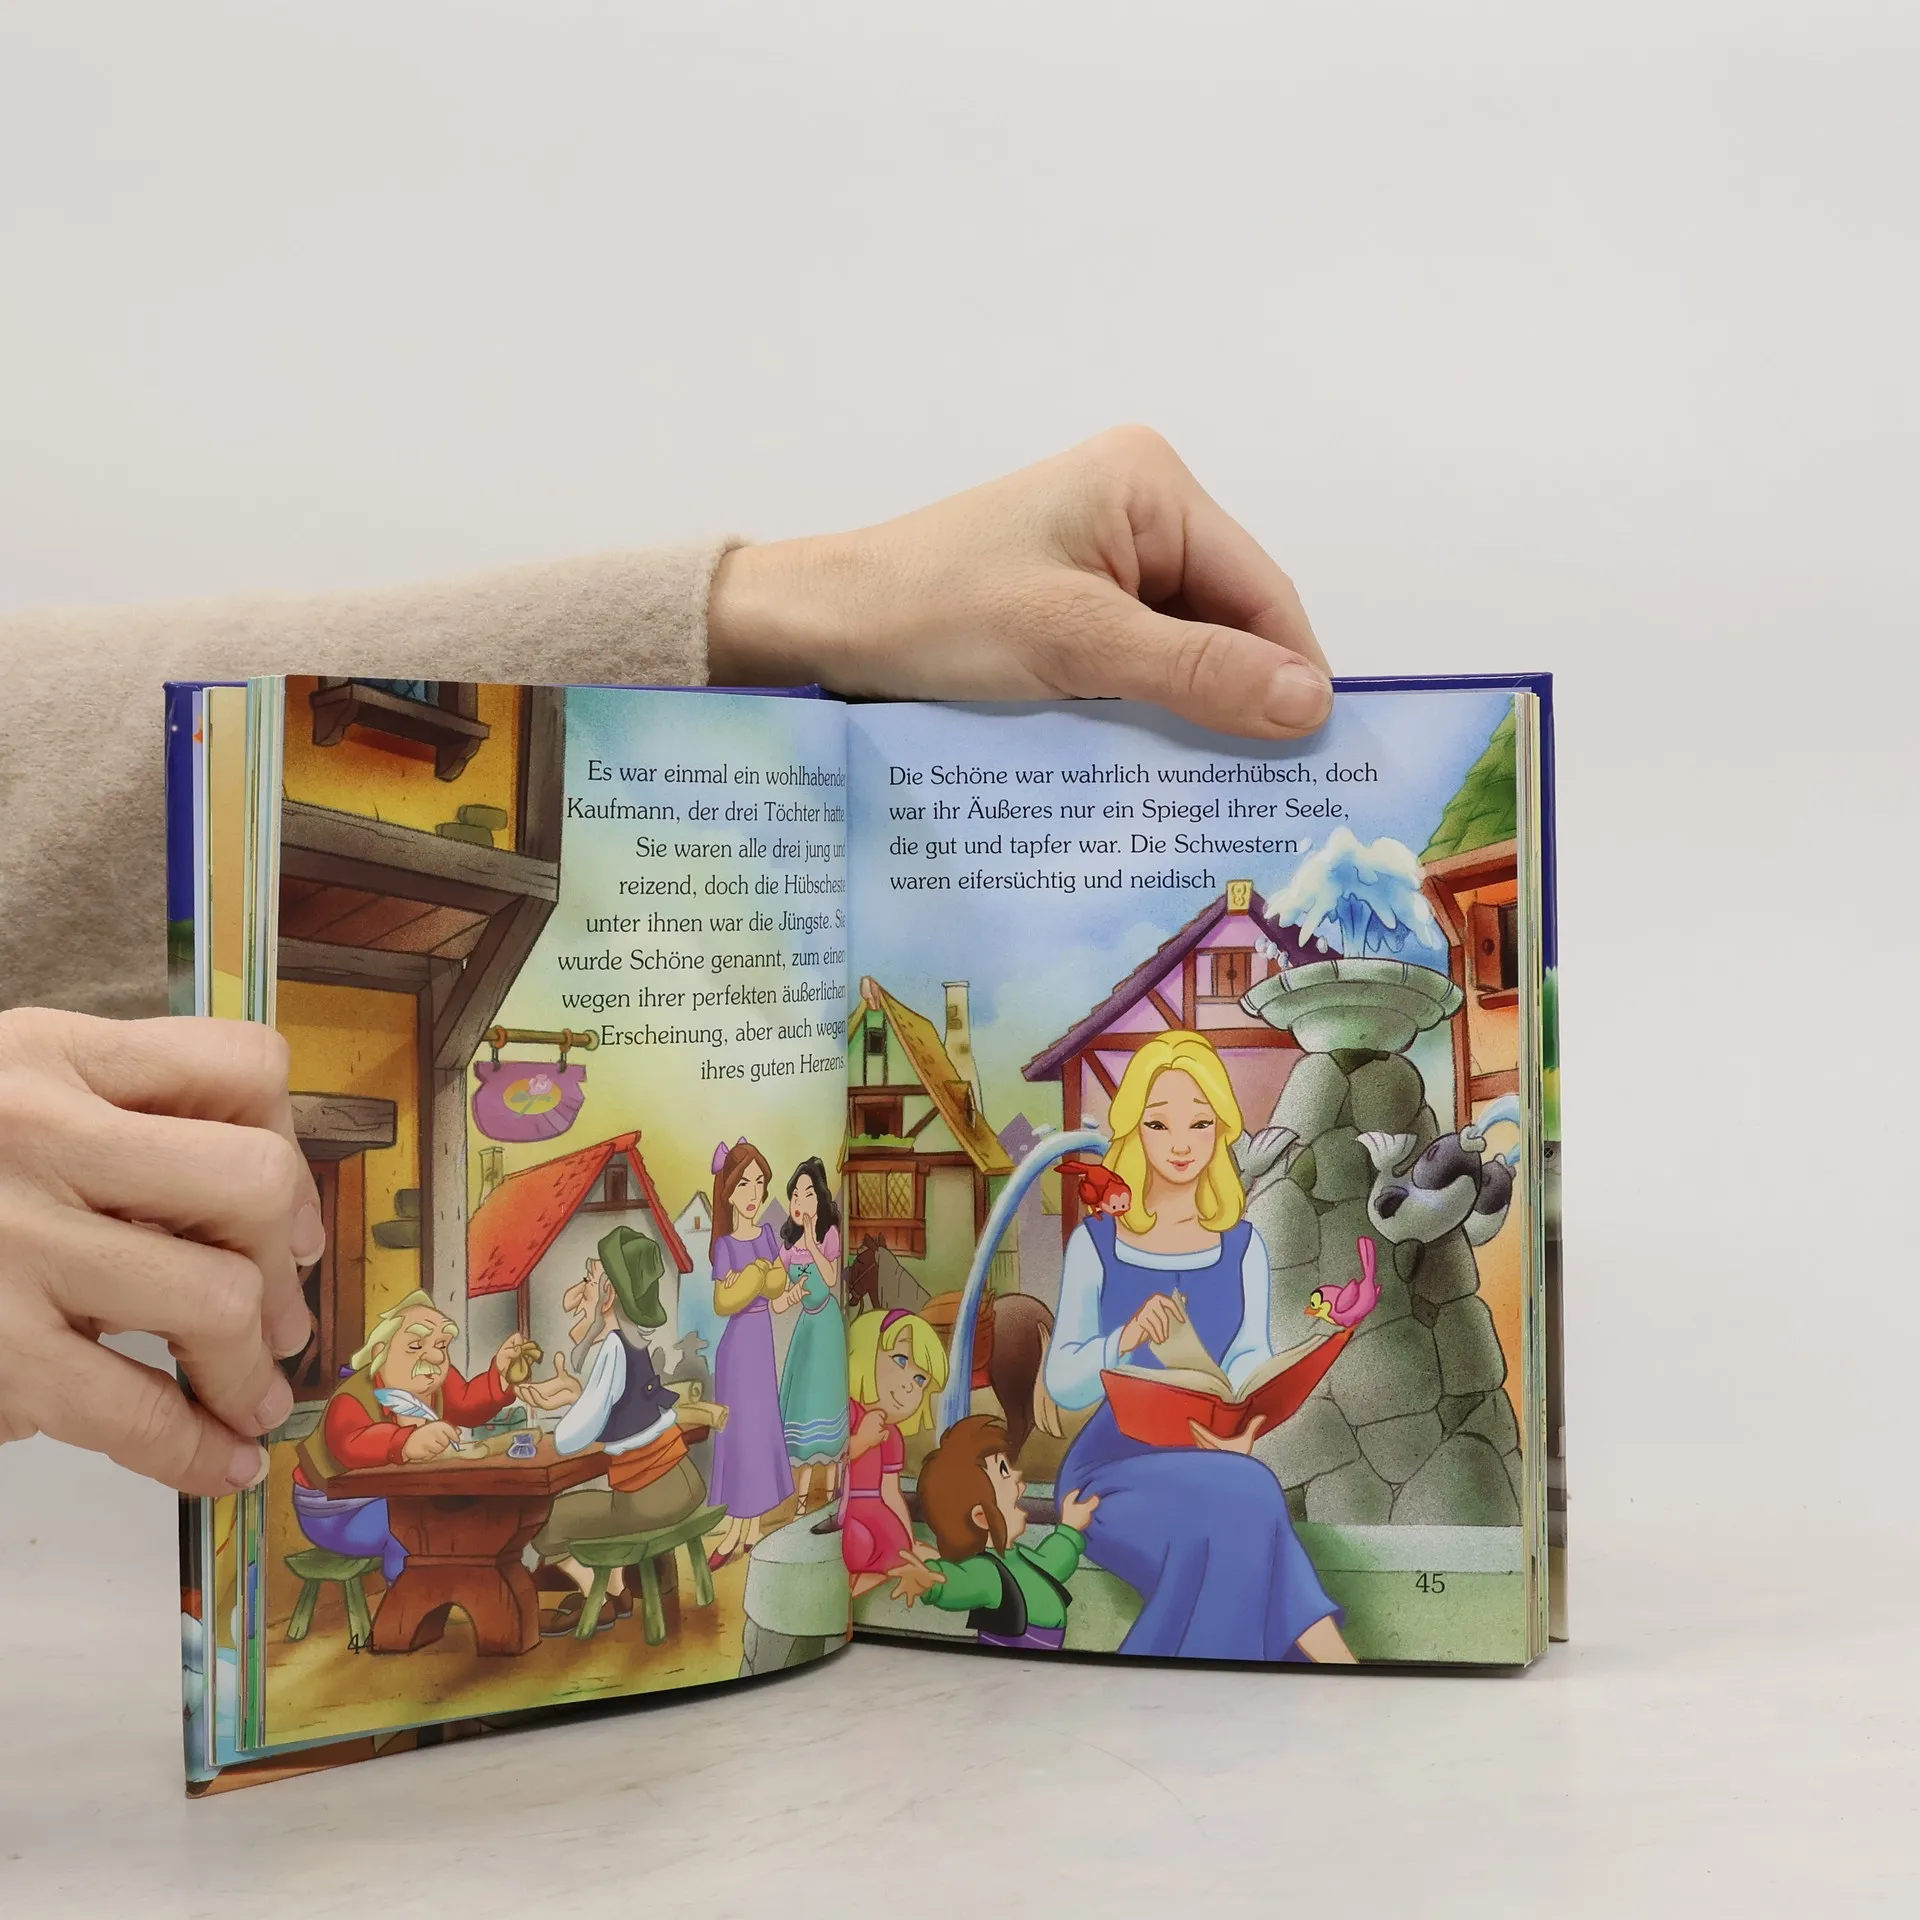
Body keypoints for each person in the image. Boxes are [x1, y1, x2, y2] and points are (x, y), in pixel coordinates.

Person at [0, 428, 1333, 1495]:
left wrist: (782, 609)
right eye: (1156, 1112)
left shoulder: (1215, 1243)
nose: (1171, 1136)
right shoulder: (1046, 1249)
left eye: (1191, 1117)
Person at [1043, 1031, 1357, 1664]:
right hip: (1107, 1479)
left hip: (1214, 1458)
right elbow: (1064, 1384)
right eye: (1160, 1124)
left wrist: (1244, 1425)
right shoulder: (1097, 1244)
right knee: (1250, 1495)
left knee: (1241, 1495)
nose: (1181, 1144)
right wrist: (1125, 1337)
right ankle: (1332, 1662)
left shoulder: (1243, 1247)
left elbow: (1246, 1358)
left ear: (1221, 1129)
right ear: (1135, 1130)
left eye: (1199, 1123)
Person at [524, 1227, 726, 1636]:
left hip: (649, 1500)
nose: (581, 1288)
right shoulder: (635, 1344)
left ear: (608, 1294)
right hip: (684, 1483)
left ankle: (596, 1596)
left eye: (589, 1278)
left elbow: (571, 1437)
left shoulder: (614, 1349)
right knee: (596, 1510)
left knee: (546, 1521)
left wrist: (566, 1414)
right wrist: (576, 1394)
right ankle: (615, 1592)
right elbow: (620, 1405)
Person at [292, 1293, 535, 1584]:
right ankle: (409, 1597)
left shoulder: (434, 1379)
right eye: (416, 1345)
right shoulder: (354, 1396)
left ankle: (461, 1589)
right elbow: (349, 1445)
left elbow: (467, 1404)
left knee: (462, 1515)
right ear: (382, 1351)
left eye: (441, 1345)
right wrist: (405, 1443)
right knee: (414, 1526)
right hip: (336, 1511)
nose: (435, 1357)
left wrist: (501, 1377)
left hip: (394, 1493)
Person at [890, 1413, 1100, 1653]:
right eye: (1003, 1470)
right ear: (981, 1517)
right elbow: (959, 1581)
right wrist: (930, 1582)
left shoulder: (1018, 1558)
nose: (1017, 1475)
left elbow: (1051, 1564)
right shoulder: (988, 1571)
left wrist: (1069, 1528)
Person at [704, 1137, 790, 1568]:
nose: (754, 1193)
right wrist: (758, 1275)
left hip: (762, 1343)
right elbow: (724, 1302)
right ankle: (734, 1530)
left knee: (759, 1431)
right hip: (737, 1349)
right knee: (738, 1435)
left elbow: (777, 1284)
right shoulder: (725, 1245)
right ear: (729, 1192)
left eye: (759, 1183)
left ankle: (750, 1528)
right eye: (744, 1184)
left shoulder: (768, 1234)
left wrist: (755, 1278)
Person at [841, 1307, 947, 1598]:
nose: (909, 1386)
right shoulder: (846, 1413)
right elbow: (827, 1464)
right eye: (900, 1360)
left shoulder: (892, 1435)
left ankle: (894, 1568)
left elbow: (891, 1492)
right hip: (846, 1514)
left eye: (920, 1380)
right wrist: (862, 1440)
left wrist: (907, 1542)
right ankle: (868, 1579)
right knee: (861, 1544)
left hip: (877, 1513)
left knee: (907, 1550)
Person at [775, 1158, 848, 1514]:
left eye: (807, 1193)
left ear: (819, 1199)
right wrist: (786, 1295)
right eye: (795, 1195)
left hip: (827, 1328)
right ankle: (802, 1502)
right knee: (803, 1407)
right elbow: (776, 1294)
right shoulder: (788, 1247)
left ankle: (831, 1493)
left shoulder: (828, 1236)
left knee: (828, 1402)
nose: (800, 1201)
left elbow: (830, 1279)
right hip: (806, 1328)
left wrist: (812, 1242)